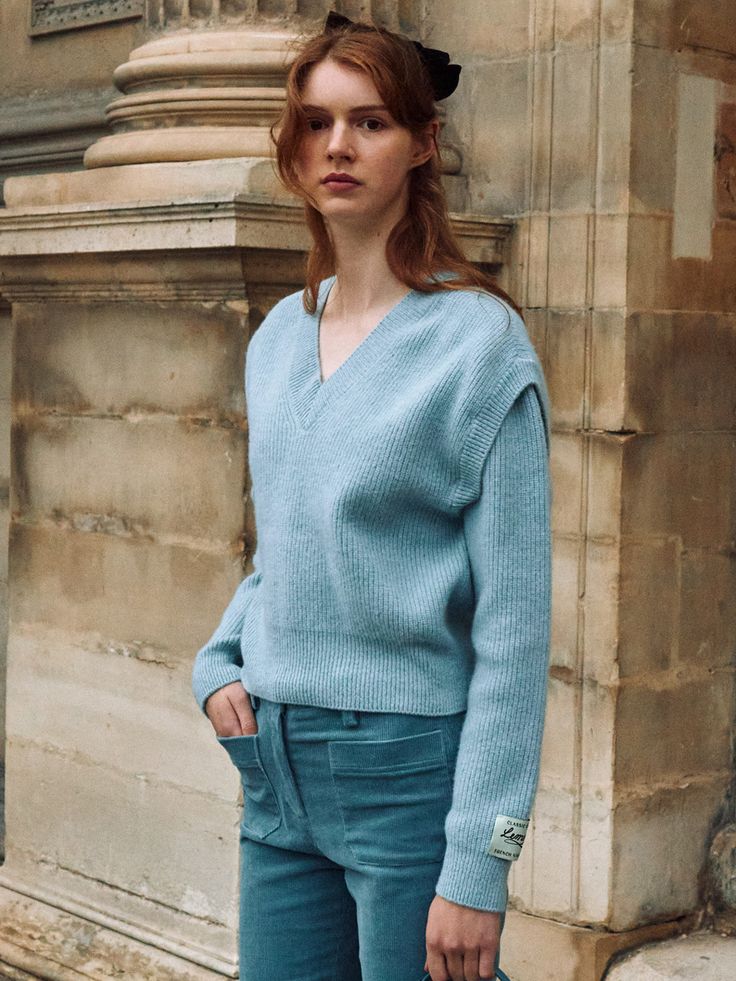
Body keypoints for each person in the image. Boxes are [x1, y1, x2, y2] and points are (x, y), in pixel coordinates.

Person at [191, 11, 552, 981]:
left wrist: (481, 863)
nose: (337, 146)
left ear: (422, 143)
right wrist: (221, 657)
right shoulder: (274, 338)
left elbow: (515, 630)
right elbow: (287, 546)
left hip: (406, 776)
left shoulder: (477, 346)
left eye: (370, 122)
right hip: (273, 767)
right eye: (314, 123)